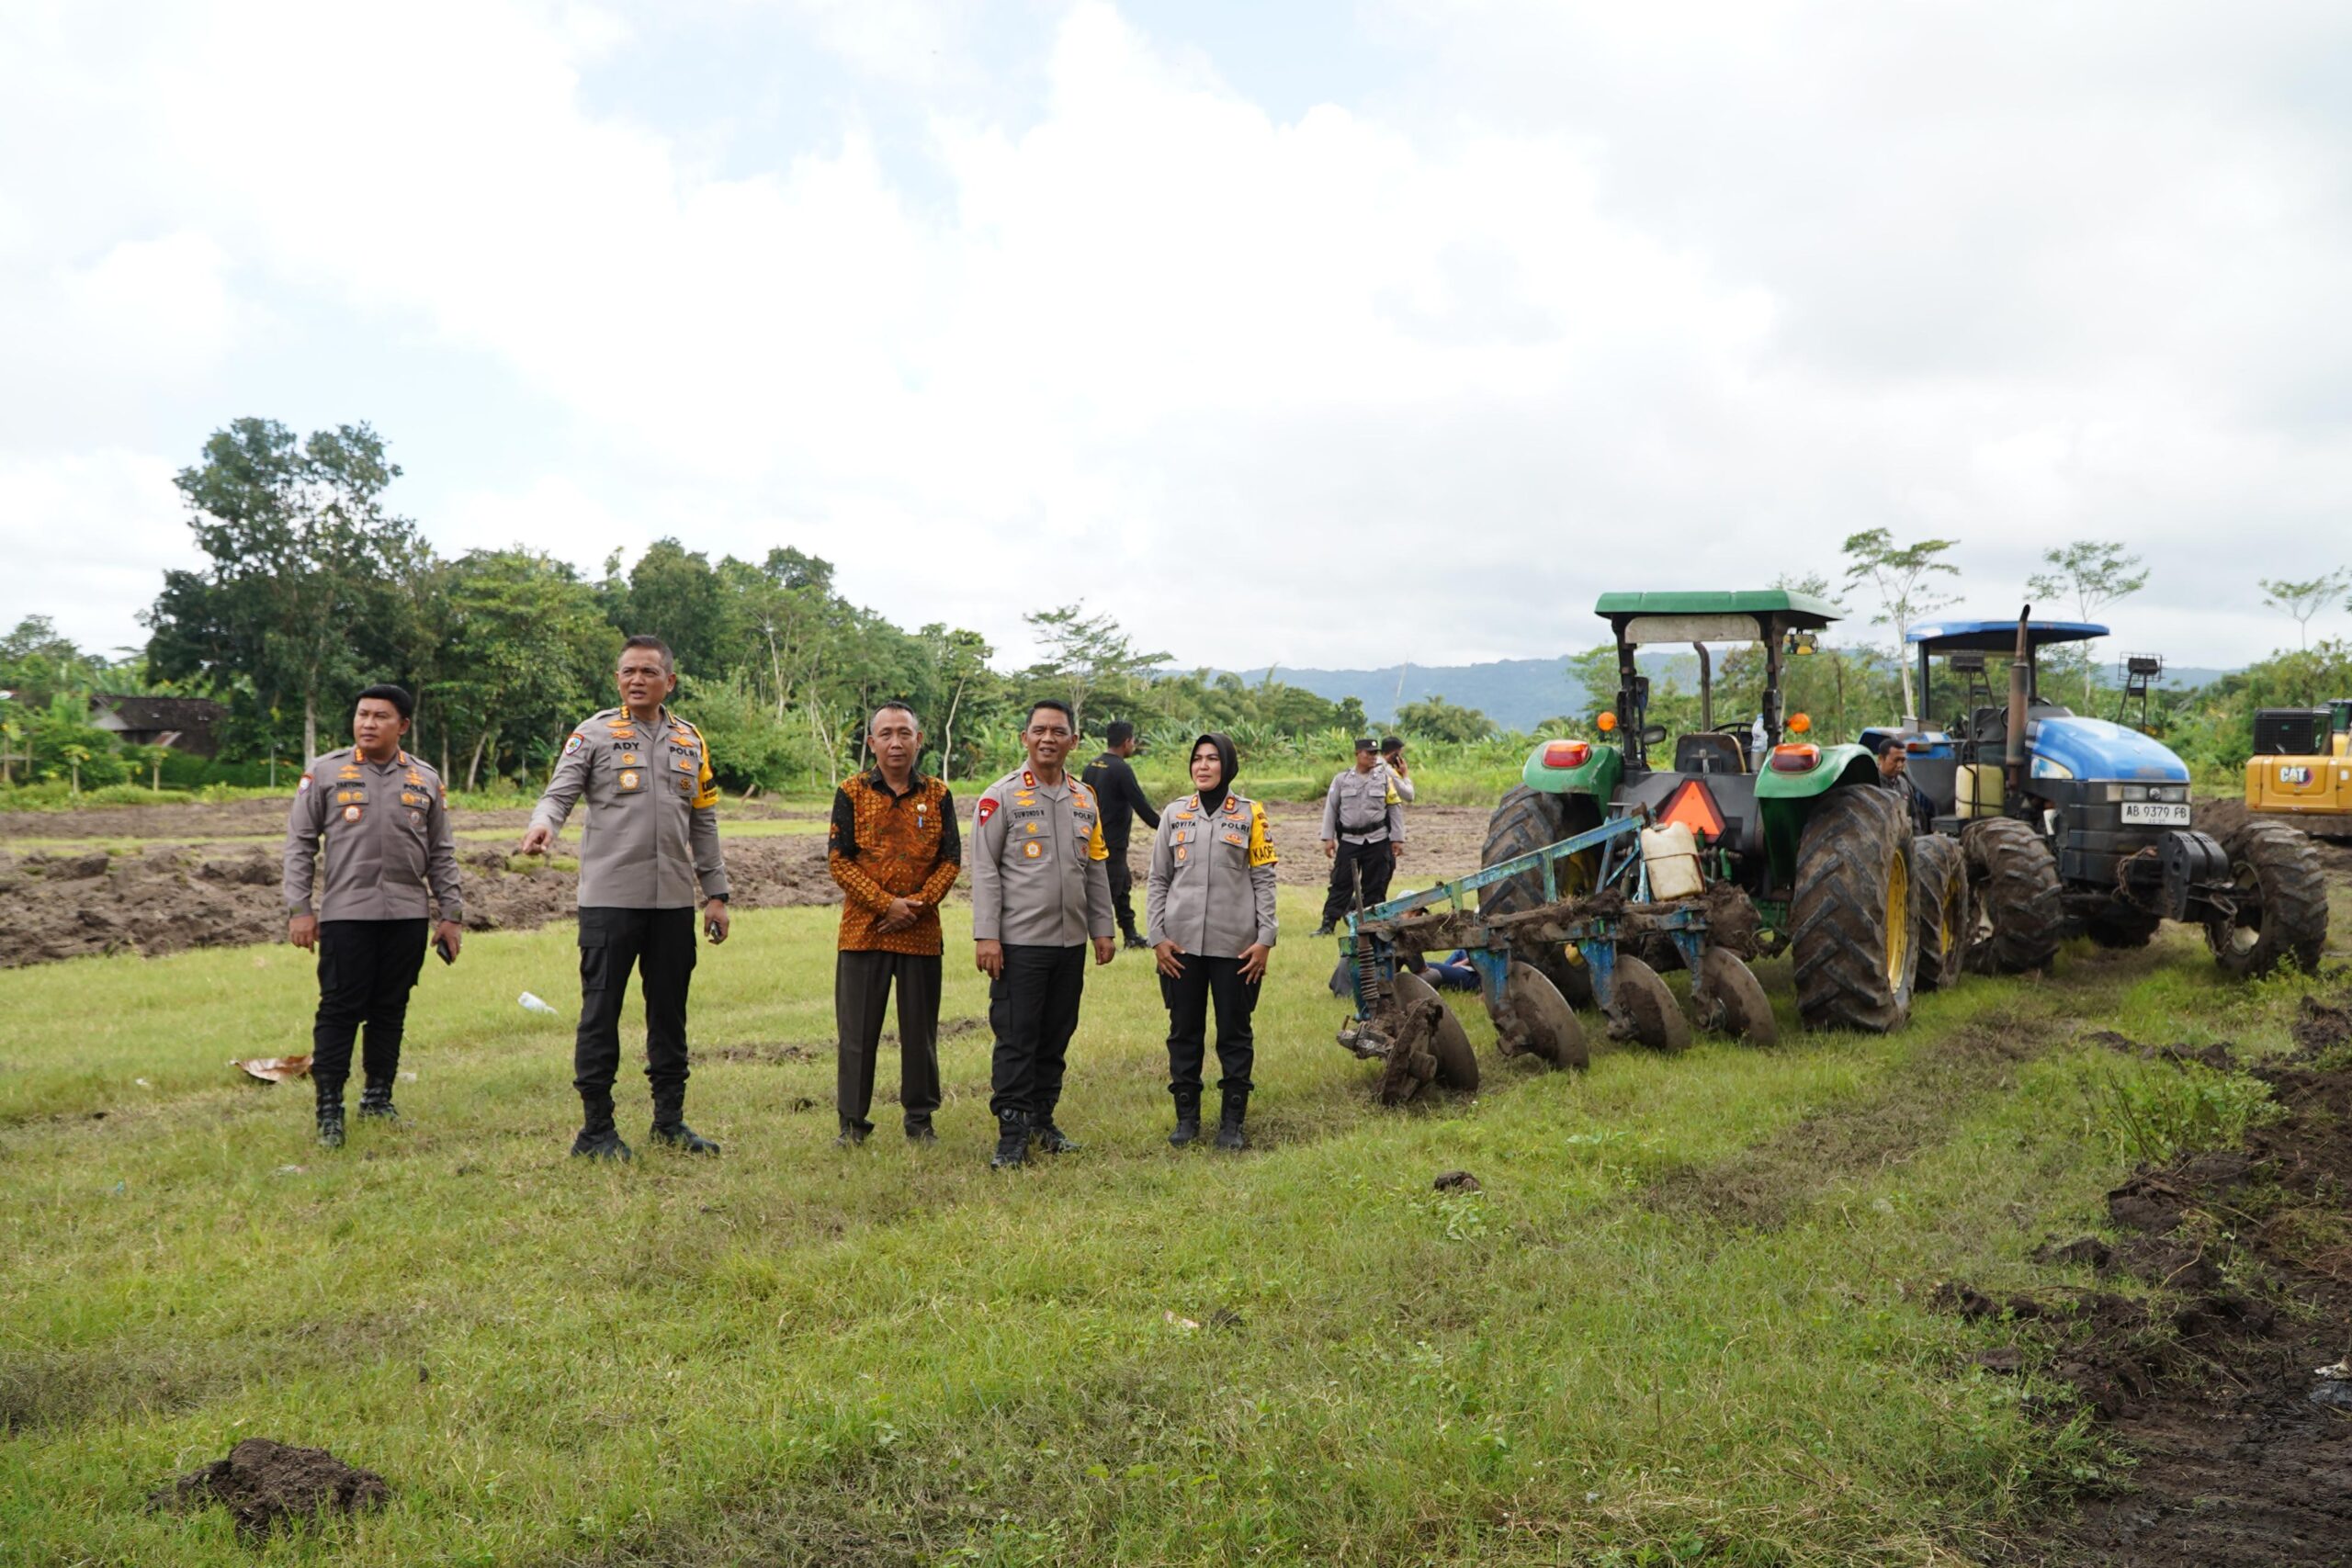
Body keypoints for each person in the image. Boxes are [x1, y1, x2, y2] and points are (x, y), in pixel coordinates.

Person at [520, 635, 730, 1161]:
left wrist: (717, 894)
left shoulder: (690, 741)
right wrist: (543, 826)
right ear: (618, 679)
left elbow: (703, 822)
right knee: (600, 1013)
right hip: (610, 900)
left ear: (670, 681)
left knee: (669, 1014)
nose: (636, 680)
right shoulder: (593, 734)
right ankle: (596, 1130)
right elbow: (559, 793)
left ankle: (669, 1121)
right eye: (627, 672)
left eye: (648, 672)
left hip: (673, 903)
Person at [281, 684, 464, 1149]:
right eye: (362, 714)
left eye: (380, 717)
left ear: (402, 725)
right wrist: (300, 910)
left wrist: (451, 914)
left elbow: (441, 852)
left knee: (390, 1008)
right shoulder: (324, 773)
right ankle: (329, 1109)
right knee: (340, 1010)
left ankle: (378, 1097)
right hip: (347, 914)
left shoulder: (424, 778)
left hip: (406, 914)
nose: (368, 724)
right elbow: (300, 845)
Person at [968, 698, 1116, 1168]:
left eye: (1058, 731)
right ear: (1024, 738)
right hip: (1018, 944)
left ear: (1073, 741)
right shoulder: (1002, 796)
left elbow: (1094, 868)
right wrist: (986, 936)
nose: (1047, 739)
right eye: (1039, 731)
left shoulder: (1084, 798)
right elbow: (985, 870)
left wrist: (1103, 928)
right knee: (1017, 1037)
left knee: (1056, 1035)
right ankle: (1011, 1133)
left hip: (1070, 943)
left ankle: (1042, 1120)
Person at [827, 701, 961, 1147]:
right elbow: (839, 861)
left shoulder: (938, 794)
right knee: (856, 1035)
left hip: (921, 933)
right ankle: (852, 1124)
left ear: (919, 740)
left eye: (904, 733)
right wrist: (886, 905)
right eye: (886, 734)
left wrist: (916, 906)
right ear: (872, 742)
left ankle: (920, 1121)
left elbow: (951, 860)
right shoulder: (851, 791)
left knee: (919, 1033)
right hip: (863, 932)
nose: (896, 742)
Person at [1146, 732, 1277, 1150]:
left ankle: (1232, 1124)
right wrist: (1157, 937)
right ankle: (1186, 1119)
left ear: (1228, 765)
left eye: (1212, 759)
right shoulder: (1173, 813)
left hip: (1235, 947)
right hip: (1179, 946)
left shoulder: (1251, 814)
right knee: (1183, 1031)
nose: (1202, 766)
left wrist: (1265, 939)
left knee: (1234, 1033)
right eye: (1197, 759)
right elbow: (1158, 879)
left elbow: (1264, 878)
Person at [1080, 720, 1160, 950]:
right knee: (1110, 891)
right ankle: (1102, 938)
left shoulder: (1092, 765)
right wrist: (1166, 826)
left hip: (1093, 839)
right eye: (1133, 741)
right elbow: (1140, 804)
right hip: (1112, 843)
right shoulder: (1121, 769)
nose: (1133, 745)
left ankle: (1131, 935)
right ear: (1127, 742)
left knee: (1120, 886)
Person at [1314, 738, 1405, 936]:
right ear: (1357, 754)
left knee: (1375, 884)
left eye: (1375, 754)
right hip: (1350, 840)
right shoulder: (1342, 780)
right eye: (1368, 753)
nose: (1373, 757)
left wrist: (1397, 838)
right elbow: (1331, 809)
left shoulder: (1384, 779)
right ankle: (1328, 924)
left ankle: (1372, 925)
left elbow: (1395, 809)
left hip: (1377, 839)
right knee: (1340, 883)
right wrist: (1328, 838)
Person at [1875, 736, 1936, 834]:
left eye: (1903, 760)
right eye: (1896, 760)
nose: (1900, 765)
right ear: (1881, 759)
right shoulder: (1871, 783)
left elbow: (1914, 817)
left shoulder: (1904, 784)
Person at [1374, 736, 1415, 803]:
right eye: (1400, 754)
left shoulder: (1371, 764)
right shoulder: (1387, 771)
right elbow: (1409, 795)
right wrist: (1405, 775)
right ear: (1394, 755)